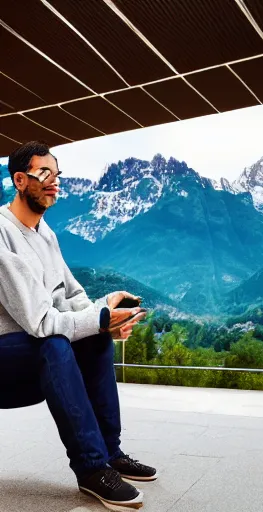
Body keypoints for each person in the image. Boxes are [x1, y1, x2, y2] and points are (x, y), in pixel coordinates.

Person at [0, 141, 156, 511]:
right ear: (20, 180)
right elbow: (40, 323)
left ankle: (109, 452)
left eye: (58, 175)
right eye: (44, 175)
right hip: (7, 358)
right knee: (55, 343)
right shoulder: (2, 235)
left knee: (95, 339)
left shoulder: (45, 234)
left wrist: (107, 314)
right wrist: (99, 319)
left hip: (30, 353)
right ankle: (90, 469)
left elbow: (72, 296)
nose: (55, 183)